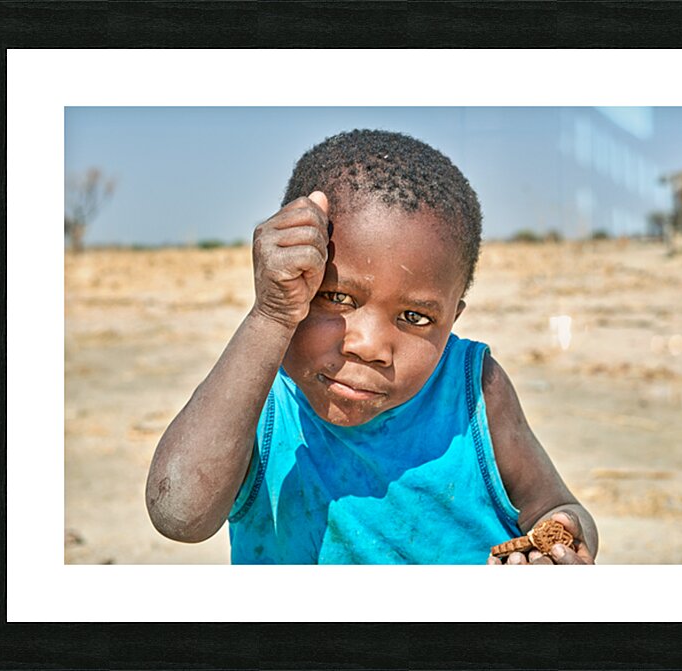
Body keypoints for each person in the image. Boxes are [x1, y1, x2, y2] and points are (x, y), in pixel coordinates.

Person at [146, 129, 598, 565]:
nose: (370, 346)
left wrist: (564, 540)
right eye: (337, 298)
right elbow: (179, 514)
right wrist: (271, 316)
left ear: (453, 318)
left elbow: (555, 506)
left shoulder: (475, 389)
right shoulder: (258, 399)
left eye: (415, 318)